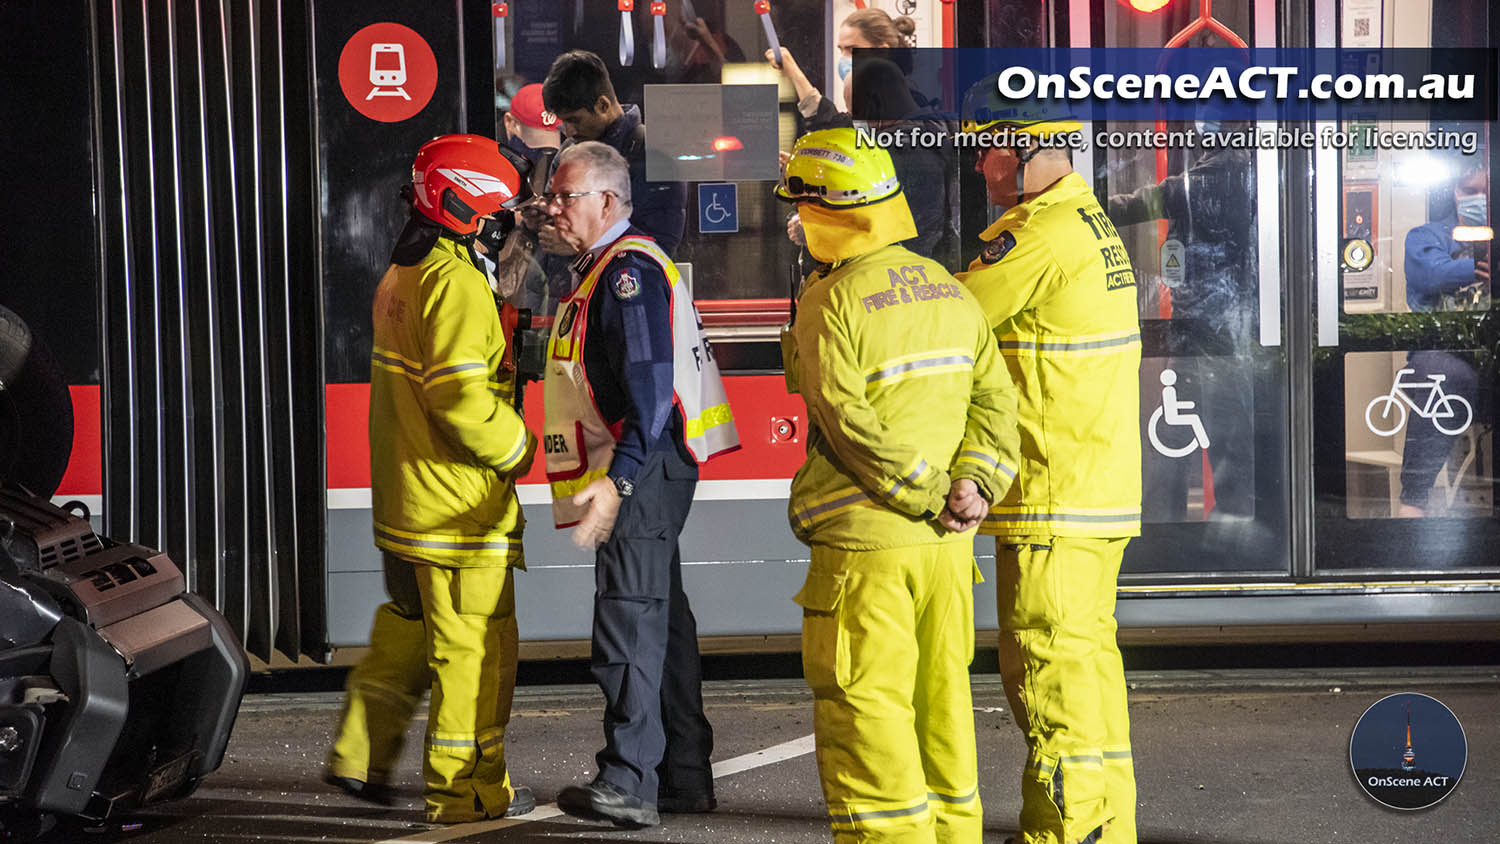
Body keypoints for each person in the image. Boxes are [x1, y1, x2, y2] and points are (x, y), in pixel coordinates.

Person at [777, 128, 1021, 843]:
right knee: (942, 714)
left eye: (802, 206)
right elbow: (996, 401)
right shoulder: (947, 287)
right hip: (946, 556)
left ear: (831, 212)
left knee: (867, 720)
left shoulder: (830, 300)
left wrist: (928, 489)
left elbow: (844, 421)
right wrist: (973, 483)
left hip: (867, 551)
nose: (796, 221)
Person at [325, 134, 538, 824]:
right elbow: (460, 400)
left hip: (407, 499)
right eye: (499, 211)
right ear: (464, 206)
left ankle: (360, 755)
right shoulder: (454, 283)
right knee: (475, 657)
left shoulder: (407, 270)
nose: (506, 223)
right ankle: (467, 795)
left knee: (412, 629)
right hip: (454, 510)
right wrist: (518, 446)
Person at [955, 99, 1142, 844]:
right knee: (1089, 678)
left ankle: (1063, 834)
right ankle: (1106, 827)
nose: (978, 165)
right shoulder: (1089, 224)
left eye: (989, 150)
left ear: (1028, 152)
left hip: (1050, 496)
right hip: (1092, 489)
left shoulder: (1037, 239)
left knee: (1046, 677)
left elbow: (949, 322)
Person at [541, 141, 739, 828]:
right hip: (652, 462)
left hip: (642, 465)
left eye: (564, 195)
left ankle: (628, 780)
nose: (551, 206)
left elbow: (650, 389)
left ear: (606, 201)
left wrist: (616, 482)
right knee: (662, 620)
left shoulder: (626, 272)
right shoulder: (609, 267)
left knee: (627, 618)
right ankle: (683, 774)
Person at [1396, 161, 1489, 516]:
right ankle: (1413, 501)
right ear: (1454, 192)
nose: (1477, 200)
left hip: (1490, 351)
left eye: (1484, 192)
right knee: (1446, 376)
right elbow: (1430, 274)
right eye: (1469, 191)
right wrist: (1480, 266)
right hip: (1441, 351)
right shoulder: (1427, 236)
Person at [541, 50, 687, 257]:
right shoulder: (568, 153)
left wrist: (582, 246)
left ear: (603, 105)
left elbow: (659, 245)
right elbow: (553, 225)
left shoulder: (655, 157)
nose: (569, 132)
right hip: (569, 287)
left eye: (574, 120)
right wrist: (537, 223)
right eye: (563, 122)